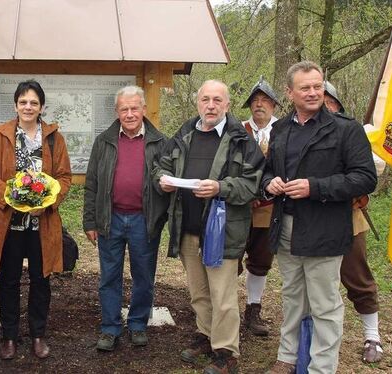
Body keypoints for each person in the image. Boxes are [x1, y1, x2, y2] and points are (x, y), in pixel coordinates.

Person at [262, 62, 377, 374]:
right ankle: (287, 358)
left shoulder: (345, 129)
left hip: (325, 229)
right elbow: (269, 170)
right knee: (292, 297)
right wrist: (268, 182)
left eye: (318, 86)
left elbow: (365, 178)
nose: (314, 93)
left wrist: (316, 187)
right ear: (290, 93)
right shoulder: (281, 129)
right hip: (285, 224)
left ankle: (322, 367)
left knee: (325, 304)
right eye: (305, 88)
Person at [154, 80, 265, 374]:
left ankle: (227, 352)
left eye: (217, 100)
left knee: (223, 295)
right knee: (199, 291)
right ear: (198, 103)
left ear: (227, 105)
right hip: (188, 228)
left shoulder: (241, 140)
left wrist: (220, 187)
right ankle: (205, 335)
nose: (211, 105)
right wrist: (163, 180)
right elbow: (161, 164)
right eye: (206, 99)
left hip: (222, 230)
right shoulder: (184, 133)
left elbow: (252, 184)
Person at [0, 80, 71, 360]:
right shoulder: (1, 135)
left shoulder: (54, 137)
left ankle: (38, 335)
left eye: (33, 102)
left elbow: (64, 178)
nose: (28, 107)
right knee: (8, 280)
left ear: (41, 106)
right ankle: (9, 336)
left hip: (41, 224)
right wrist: (10, 196)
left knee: (41, 280)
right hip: (9, 223)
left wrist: (47, 203)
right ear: (16, 105)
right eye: (23, 102)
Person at [82, 85, 168, 351]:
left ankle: (139, 324)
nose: (130, 114)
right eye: (124, 109)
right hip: (111, 219)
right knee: (110, 276)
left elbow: (167, 183)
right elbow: (92, 183)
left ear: (143, 109)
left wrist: (160, 219)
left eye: (134, 108)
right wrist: (90, 221)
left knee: (143, 275)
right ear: (116, 111)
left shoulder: (160, 142)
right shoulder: (104, 141)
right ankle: (110, 328)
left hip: (144, 220)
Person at [323, 80, 386, 364]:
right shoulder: (301, 132)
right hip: (313, 220)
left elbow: (371, 170)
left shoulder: (352, 133)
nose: (324, 107)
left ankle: (372, 336)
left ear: (337, 106)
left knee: (356, 276)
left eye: (328, 102)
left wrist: (352, 187)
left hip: (348, 219)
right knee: (315, 283)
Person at [239, 77, 280, 337]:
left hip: (269, 206)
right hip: (238, 207)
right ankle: (224, 310)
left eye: (264, 100)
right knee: (229, 257)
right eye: (255, 101)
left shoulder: (285, 130)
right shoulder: (237, 129)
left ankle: (253, 308)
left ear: (274, 105)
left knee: (261, 259)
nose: (259, 105)